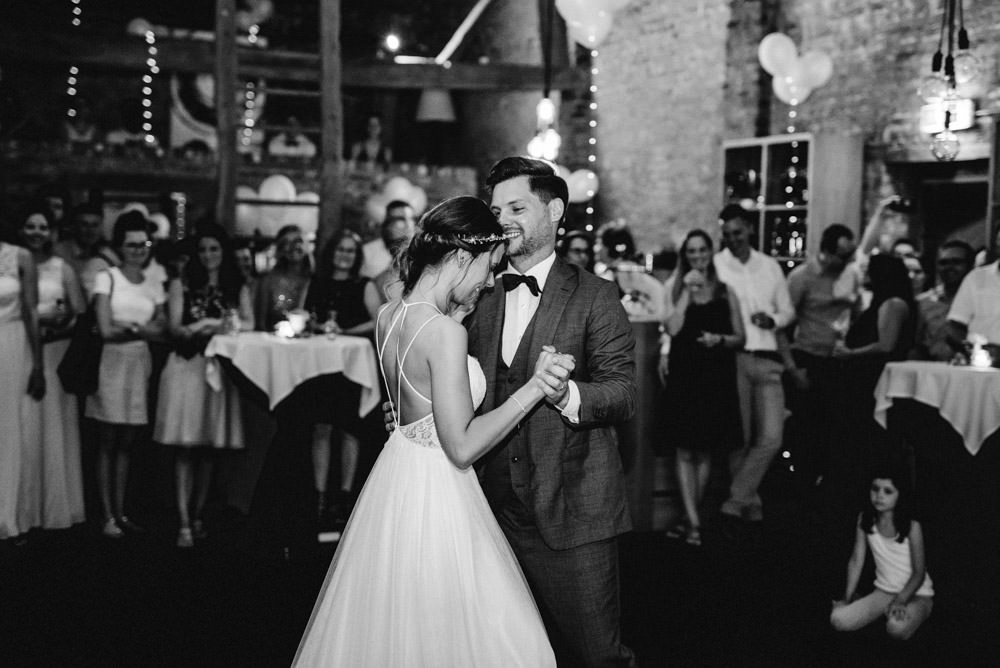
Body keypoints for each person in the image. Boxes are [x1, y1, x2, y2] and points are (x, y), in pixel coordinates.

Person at [293, 196, 570, 667]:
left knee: (396, 624)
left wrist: (455, 316)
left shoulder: (388, 315)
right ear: (462, 257)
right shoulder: (444, 333)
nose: (489, 280)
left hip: (396, 479)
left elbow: (413, 406)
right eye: (489, 265)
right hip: (439, 493)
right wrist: (536, 388)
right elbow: (460, 446)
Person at [476, 157, 637, 666]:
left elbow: (624, 391)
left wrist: (565, 394)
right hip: (483, 510)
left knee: (598, 655)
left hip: (571, 510)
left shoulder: (595, 295)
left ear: (555, 211)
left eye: (517, 207)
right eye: (496, 208)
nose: (502, 218)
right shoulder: (477, 291)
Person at [153, 224, 253, 548]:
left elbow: (249, 324)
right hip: (187, 366)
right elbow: (175, 327)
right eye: (203, 250)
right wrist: (206, 326)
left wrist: (210, 324)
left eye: (214, 249)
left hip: (219, 371)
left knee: (210, 448)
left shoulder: (236, 284)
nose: (209, 255)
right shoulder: (182, 283)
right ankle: (182, 520)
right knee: (185, 446)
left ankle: (197, 515)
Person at [660, 230, 744, 547]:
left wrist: (719, 340)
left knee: (705, 449)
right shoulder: (675, 286)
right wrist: (686, 292)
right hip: (685, 375)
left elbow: (741, 337)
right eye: (691, 252)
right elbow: (672, 327)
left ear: (710, 253)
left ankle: (688, 519)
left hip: (715, 376)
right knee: (684, 449)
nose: (697, 257)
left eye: (702, 251)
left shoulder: (726, 290)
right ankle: (694, 523)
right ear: (686, 255)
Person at [85, 212, 166, 538]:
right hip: (110, 362)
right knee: (107, 439)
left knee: (129, 441)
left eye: (143, 243)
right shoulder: (108, 277)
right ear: (119, 246)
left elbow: (163, 331)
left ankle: (122, 511)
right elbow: (104, 329)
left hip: (140, 363)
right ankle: (106, 514)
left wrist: (132, 330)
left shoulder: (154, 282)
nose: (138, 250)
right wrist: (139, 329)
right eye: (131, 244)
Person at [713, 204, 794, 524]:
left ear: (749, 229)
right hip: (732, 358)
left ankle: (737, 499)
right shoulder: (718, 266)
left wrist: (772, 318)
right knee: (740, 438)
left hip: (768, 356)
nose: (732, 239)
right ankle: (751, 502)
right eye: (727, 234)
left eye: (737, 232)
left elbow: (788, 311)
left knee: (772, 437)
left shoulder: (770, 266)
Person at [303, 231, 381, 523]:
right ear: (331, 253)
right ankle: (319, 496)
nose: (345, 255)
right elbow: (303, 312)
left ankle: (346, 497)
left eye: (350, 251)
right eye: (340, 250)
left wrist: (346, 332)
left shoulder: (364, 285)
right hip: (321, 364)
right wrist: (311, 324)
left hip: (351, 366)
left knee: (350, 428)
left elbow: (378, 320)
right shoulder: (316, 282)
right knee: (321, 427)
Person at [18, 205, 86, 532]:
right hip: (20, 350)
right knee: (24, 427)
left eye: (42, 227)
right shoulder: (10, 265)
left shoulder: (62, 269)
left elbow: (79, 314)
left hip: (55, 351)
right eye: (30, 226)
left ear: (51, 232)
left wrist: (58, 326)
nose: (36, 232)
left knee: (54, 427)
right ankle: (22, 507)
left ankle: (55, 505)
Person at [784, 224, 862, 488]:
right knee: (807, 429)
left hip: (839, 360)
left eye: (850, 254)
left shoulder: (850, 274)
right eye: (842, 255)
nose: (847, 260)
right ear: (826, 253)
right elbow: (782, 326)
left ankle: (826, 487)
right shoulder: (802, 277)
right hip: (808, 357)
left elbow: (858, 312)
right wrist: (793, 369)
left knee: (835, 430)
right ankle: (801, 487)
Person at [830, 470, 933, 640]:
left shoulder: (912, 525)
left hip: (917, 594)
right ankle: (866, 603)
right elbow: (857, 560)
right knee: (838, 619)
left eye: (887, 491)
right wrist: (846, 598)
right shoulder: (865, 519)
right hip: (884, 591)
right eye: (875, 489)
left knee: (896, 628)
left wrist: (901, 600)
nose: (879, 496)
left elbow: (919, 572)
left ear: (900, 494)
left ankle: (913, 612)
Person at [0, 222, 46, 541]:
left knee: (9, 428)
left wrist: (39, 364)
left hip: (11, 344)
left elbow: (31, 311)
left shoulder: (20, 257)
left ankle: (8, 514)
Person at [911, 240, 975, 361]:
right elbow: (917, 345)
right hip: (933, 370)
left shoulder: (980, 301)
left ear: (970, 265)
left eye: (956, 262)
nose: (949, 268)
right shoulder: (924, 302)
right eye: (943, 263)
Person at [947, 225, 1000, 347]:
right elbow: (955, 325)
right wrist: (973, 349)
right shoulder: (976, 278)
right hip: (981, 361)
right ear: (997, 244)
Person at [53, 204, 120, 299]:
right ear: (75, 226)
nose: (90, 231)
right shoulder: (58, 253)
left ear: (101, 227)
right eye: (84, 225)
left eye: (95, 225)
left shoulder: (110, 256)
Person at [254, 224, 312, 331]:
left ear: (306, 245)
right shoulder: (268, 280)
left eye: (298, 241)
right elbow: (260, 324)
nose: (293, 246)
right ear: (279, 248)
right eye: (286, 243)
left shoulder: (315, 280)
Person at [360, 201, 416, 279]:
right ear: (387, 222)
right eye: (400, 219)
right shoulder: (367, 251)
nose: (408, 224)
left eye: (411, 219)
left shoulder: (422, 253)